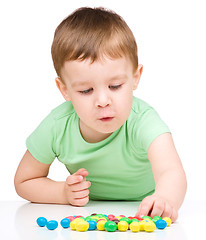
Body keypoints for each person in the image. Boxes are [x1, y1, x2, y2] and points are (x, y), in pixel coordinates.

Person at [14, 7, 187, 222]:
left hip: (141, 208)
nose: (103, 101)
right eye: (86, 90)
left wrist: (163, 199)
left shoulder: (144, 121)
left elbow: (172, 171)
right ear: (64, 89)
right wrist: (62, 193)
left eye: (115, 86)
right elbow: (24, 180)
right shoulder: (57, 125)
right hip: (89, 214)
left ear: (135, 77)